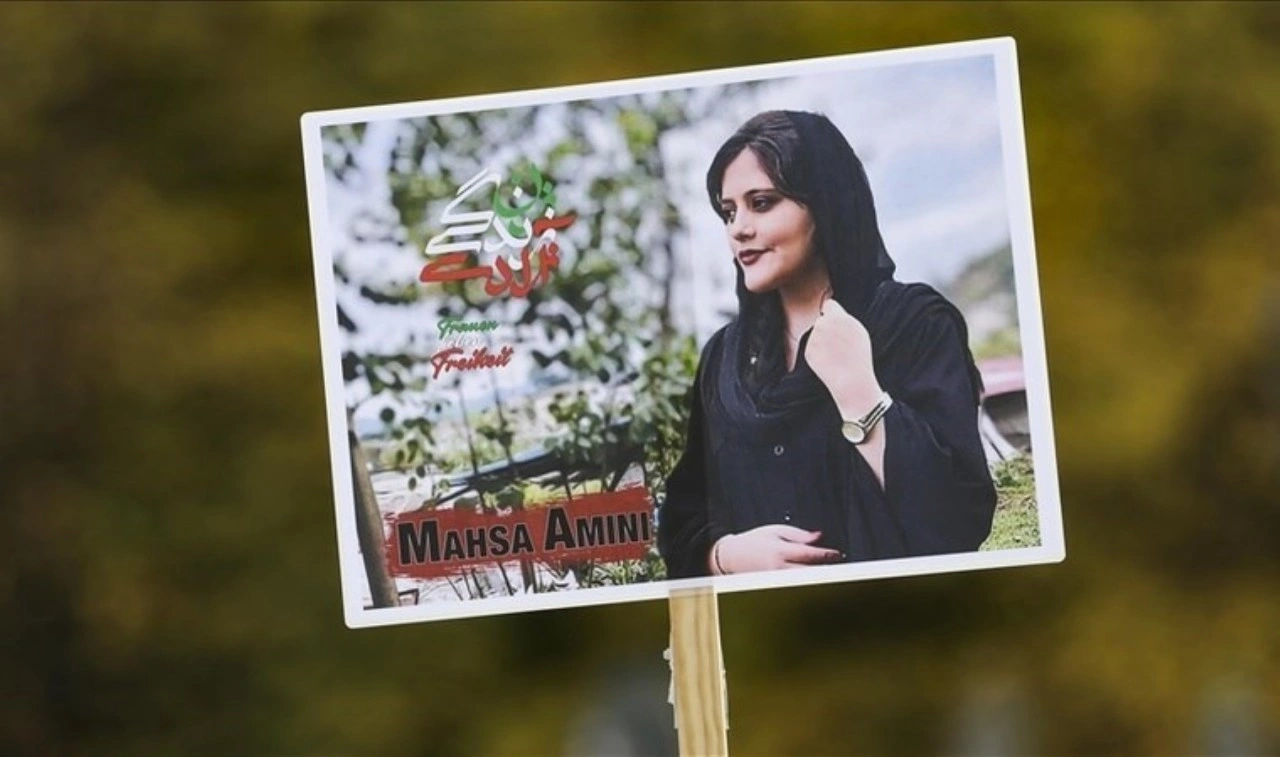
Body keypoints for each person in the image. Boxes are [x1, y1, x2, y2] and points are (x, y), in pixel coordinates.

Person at [657, 110, 997, 578]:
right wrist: (725, 556)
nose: (737, 229)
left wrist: (863, 397)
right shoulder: (724, 361)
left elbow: (959, 520)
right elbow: (684, 514)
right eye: (728, 211)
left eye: (761, 203)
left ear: (825, 205)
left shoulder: (914, 324)